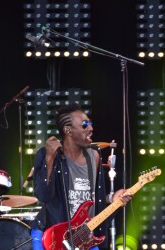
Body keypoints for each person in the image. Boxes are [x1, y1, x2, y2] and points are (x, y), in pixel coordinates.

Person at [31, 103, 132, 249]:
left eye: (90, 123)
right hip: (52, 234)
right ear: (68, 130)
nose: (90, 128)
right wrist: (49, 159)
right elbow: (43, 196)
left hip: (84, 237)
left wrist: (112, 199)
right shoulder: (47, 155)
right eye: (85, 124)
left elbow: (93, 198)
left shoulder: (95, 156)